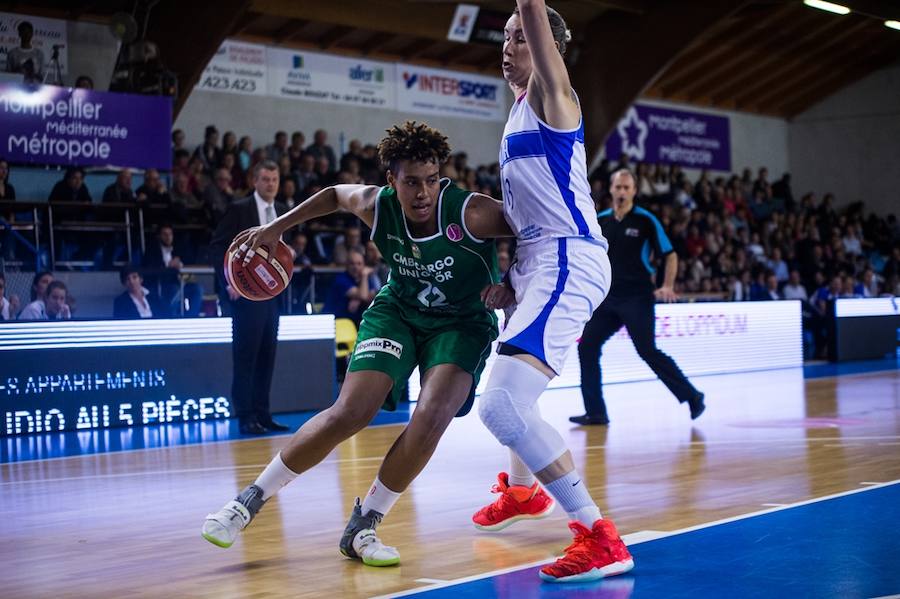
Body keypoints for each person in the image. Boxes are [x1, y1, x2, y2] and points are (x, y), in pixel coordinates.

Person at [201, 121, 514, 569]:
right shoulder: (377, 204)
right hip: (399, 311)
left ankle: (364, 524)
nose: (423, 192)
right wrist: (277, 229)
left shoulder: (472, 212)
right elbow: (332, 196)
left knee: (432, 415)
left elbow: (532, 225)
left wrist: (512, 282)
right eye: (411, 182)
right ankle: (247, 502)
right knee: (350, 412)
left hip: (461, 323)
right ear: (392, 181)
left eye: (430, 180)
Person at [469, 1, 633, 583]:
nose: (508, 46)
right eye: (505, 38)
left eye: (520, 37)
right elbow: (526, 214)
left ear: (546, 50)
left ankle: (599, 537)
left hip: (569, 258)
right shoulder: (516, 115)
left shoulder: (552, 97)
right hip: (542, 263)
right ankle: (520, 491)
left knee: (500, 406)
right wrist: (510, 280)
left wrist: (528, 14)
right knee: (515, 399)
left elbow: (535, 17)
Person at [574, 169, 705, 425]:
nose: (622, 192)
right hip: (608, 298)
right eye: (618, 187)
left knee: (647, 350)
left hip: (638, 297)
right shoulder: (601, 221)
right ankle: (596, 411)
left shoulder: (645, 220)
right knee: (587, 346)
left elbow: (670, 254)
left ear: (634, 191)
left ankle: (693, 396)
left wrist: (667, 284)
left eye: (627, 188)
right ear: (611, 189)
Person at [210, 160, 288, 435]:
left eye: (275, 179)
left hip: (272, 296)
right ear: (255, 181)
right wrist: (228, 282)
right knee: (246, 357)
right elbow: (217, 246)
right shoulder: (239, 209)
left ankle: (263, 414)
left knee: (268, 355)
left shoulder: (281, 211)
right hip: (244, 295)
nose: (270, 184)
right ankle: (245, 416)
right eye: (265, 179)